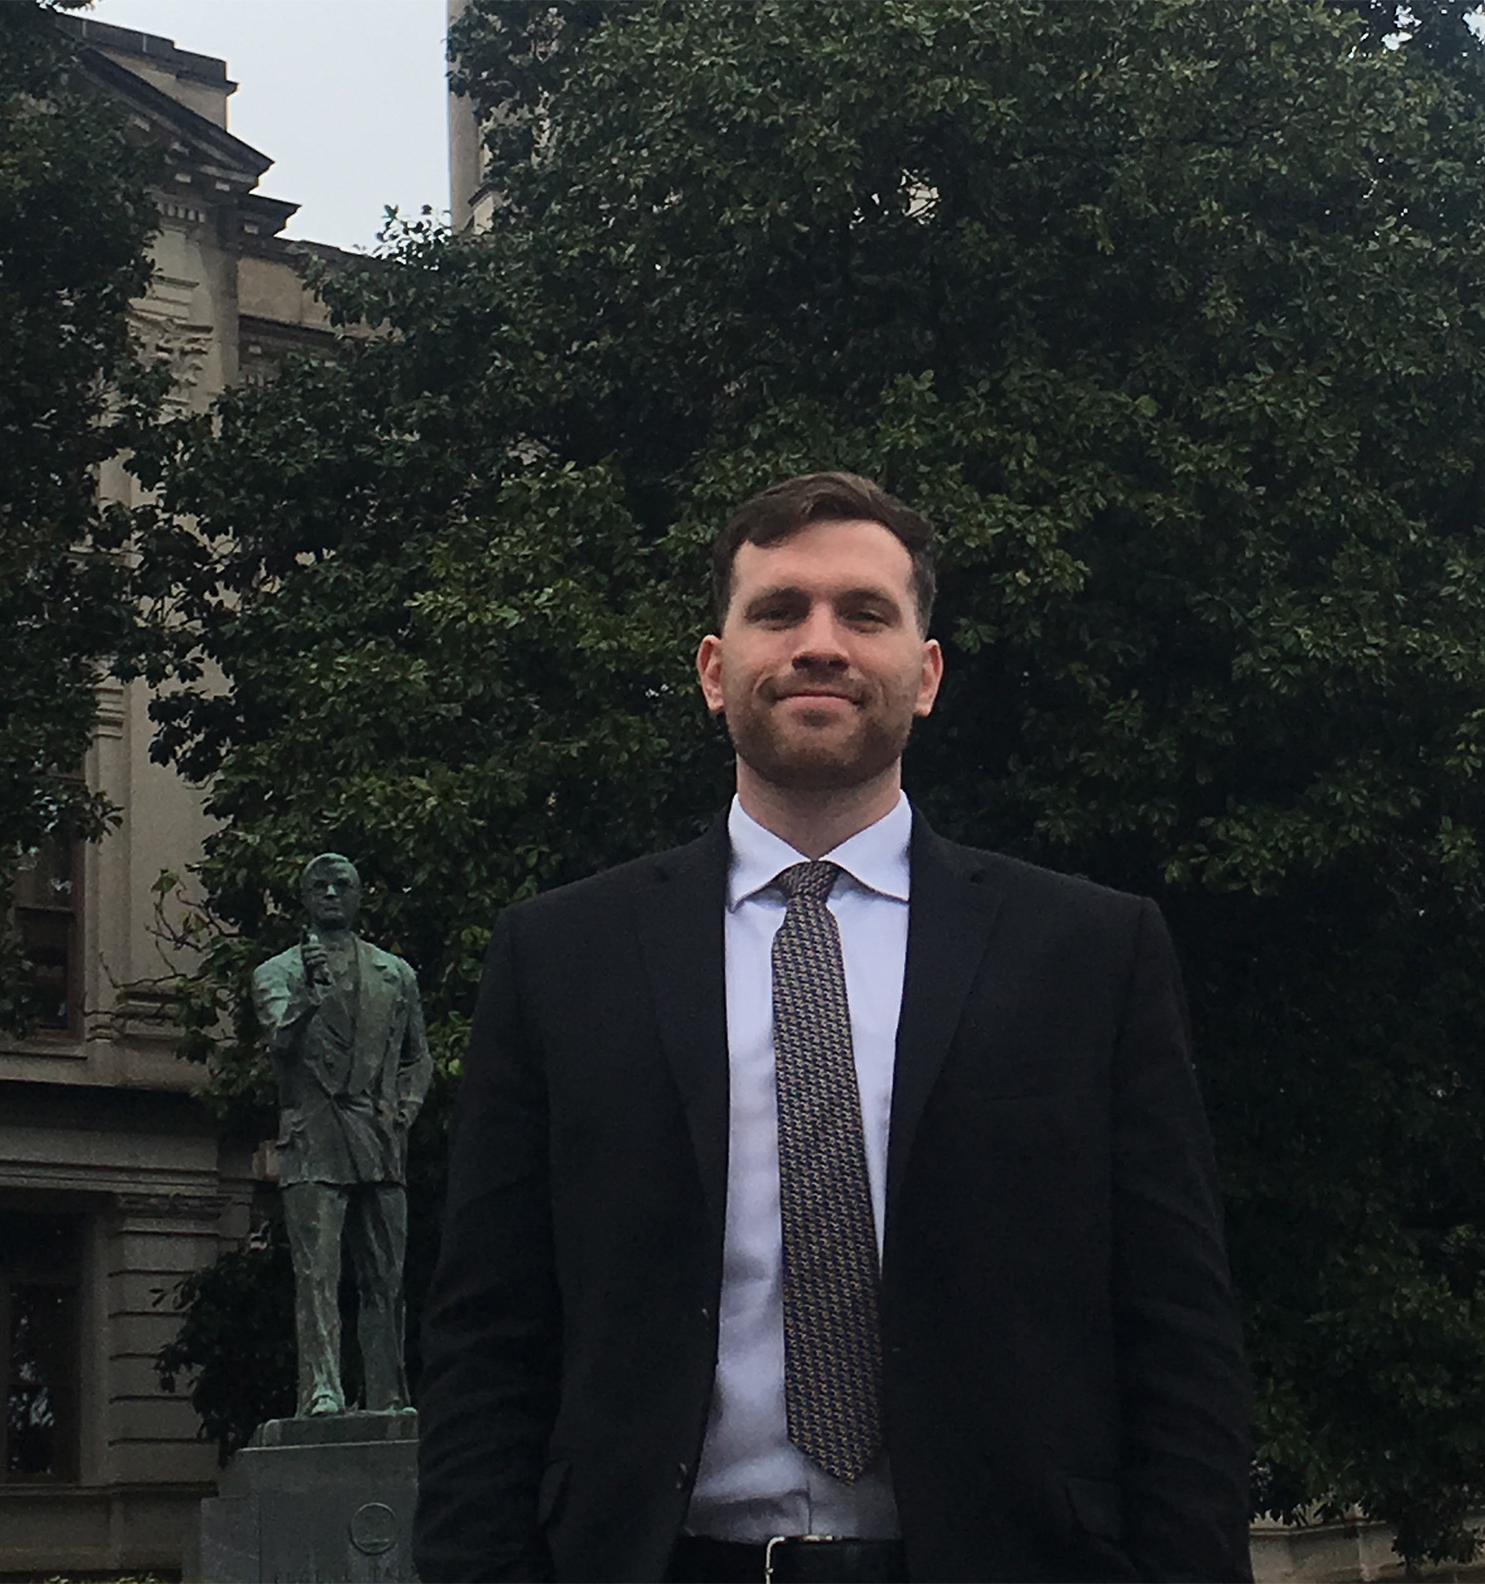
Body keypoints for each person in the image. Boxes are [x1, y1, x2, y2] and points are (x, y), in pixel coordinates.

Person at [414, 473, 1252, 1582]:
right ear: (715, 673)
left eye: (864, 613)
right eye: (777, 611)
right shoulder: (560, 960)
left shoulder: (1091, 956)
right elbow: (488, 1337)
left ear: (927, 673)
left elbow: (1178, 1330)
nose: (820, 644)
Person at [252, 852, 432, 1417]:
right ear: (304, 898)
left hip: (378, 1136)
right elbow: (281, 1043)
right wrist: (309, 994)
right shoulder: (276, 973)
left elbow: (417, 1058)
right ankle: (322, 1389)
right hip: (313, 1136)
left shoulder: (395, 973)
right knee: (317, 1276)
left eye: (342, 885)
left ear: (358, 896)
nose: (331, 894)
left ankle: (385, 1391)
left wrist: (403, 1111)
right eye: (319, 886)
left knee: (385, 1278)